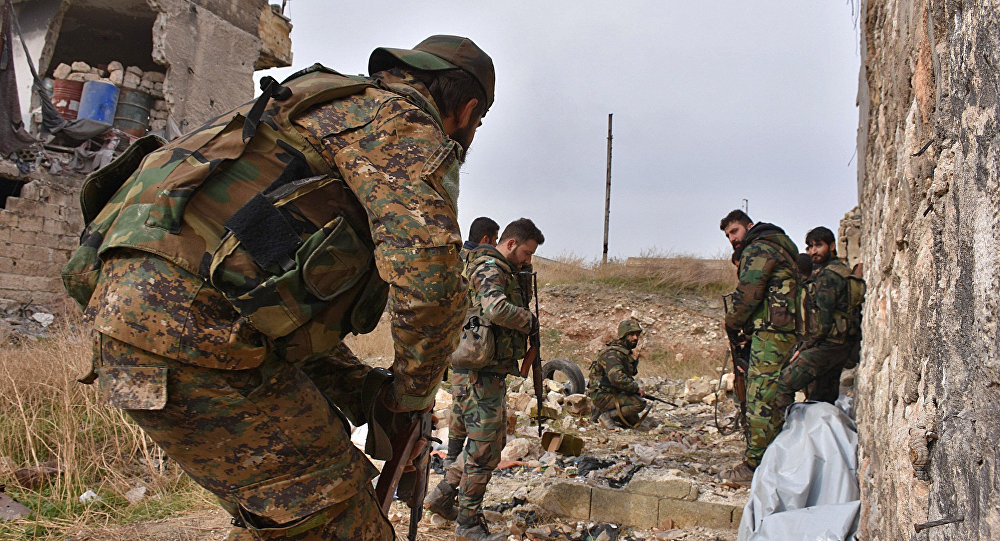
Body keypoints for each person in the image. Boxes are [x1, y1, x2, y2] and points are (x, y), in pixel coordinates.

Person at [62, 35, 495, 540]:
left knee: (285, 518)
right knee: (340, 521)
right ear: (467, 111)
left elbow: (262, 302)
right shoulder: (399, 123)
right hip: (194, 336)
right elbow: (431, 281)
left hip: (130, 325)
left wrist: (367, 393)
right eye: (478, 123)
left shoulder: (307, 108)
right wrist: (412, 398)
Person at [425, 218, 543, 541]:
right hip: (480, 375)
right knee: (483, 452)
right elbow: (495, 309)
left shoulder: (498, 268)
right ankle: (468, 525)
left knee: (489, 446)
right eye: (527, 252)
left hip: (486, 372)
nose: (527, 260)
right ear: (510, 244)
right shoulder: (490, 267)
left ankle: (443, 496)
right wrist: (528, 321)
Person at [717, 209, 801, 485]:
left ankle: (756, 465)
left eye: (735, 231)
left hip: (772, 331)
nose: (732, 239)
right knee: (776, 395)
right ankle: (775, 457)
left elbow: (749, 292)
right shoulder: (779, 245)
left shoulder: (758, 247)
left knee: (759, 396)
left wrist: (732, 322)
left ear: (749, 226)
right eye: (728, 235)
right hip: (783, 329)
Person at [775, 227, 863, 409]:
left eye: (819, 245)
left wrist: (805, 347)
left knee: (783, 385)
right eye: (810, 246)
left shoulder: (828, 275)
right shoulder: (843, 270)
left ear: (832, 246)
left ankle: (785, 426)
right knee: (822, 399)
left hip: (827, 345)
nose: (813, 251)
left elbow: (823, 320)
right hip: (842, 344)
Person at [446, 216, 500, 469]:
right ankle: (458, 461)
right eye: (495, 240)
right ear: (486, 239)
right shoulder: (481, 263)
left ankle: (451, 458)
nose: (495, 246)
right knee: (467, 402)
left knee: (459, 399)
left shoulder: (455, 260)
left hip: (456, 339)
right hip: (473, 339)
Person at [586, 319, 648, 429]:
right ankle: (606, 416)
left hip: (610, 392)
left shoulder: (623, 353)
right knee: (639, 403)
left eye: (637, 335)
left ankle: (606, 413)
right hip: (602, 395)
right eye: (631, 335)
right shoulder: (612, 354)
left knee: (633, 420)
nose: (636, 338)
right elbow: (617, 378)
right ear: (624, 335)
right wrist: (636, 389)